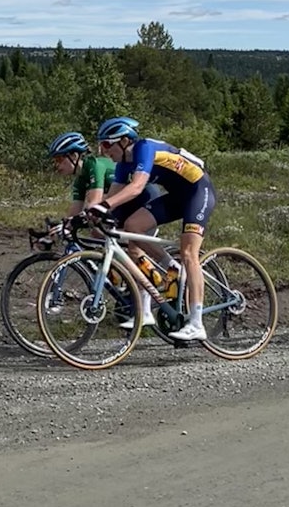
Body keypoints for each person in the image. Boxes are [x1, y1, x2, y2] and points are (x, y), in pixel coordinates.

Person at [85, 116, 215, 342]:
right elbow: (113, 196)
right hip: (176, 196)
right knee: (133, 227)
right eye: (101, 145)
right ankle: (169, 270)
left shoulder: (144, 148)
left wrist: (104, 206)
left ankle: (196, 323)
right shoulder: (123, 163)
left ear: (124, 141)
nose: (104, 151)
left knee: (189, 253)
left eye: (107, 144)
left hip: (198, 190)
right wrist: (86, 215)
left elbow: (135, 188)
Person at [47, 131, 114, 218]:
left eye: (59, 159)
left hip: (132, 198)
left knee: (94, 211)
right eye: (55, 161)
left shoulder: (94, 165)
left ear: (74, 156)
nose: (56, 165)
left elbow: (95, 202)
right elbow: (75, 211)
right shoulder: (80, 180)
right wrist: (62, 227)